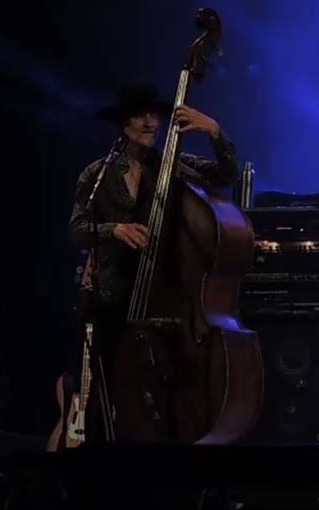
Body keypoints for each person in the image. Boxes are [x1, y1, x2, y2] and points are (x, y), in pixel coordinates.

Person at [64, 82, 238, 443]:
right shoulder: (96, 175)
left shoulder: (171, 167)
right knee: (106, 393)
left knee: (165, 395)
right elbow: (78, 229)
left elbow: (225, 175)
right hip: (113, 300)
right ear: (123, 124)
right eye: (140, 116)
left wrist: (214, 131)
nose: (150, 123)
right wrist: (115, 229)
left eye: (153, 116)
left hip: (165, 301)